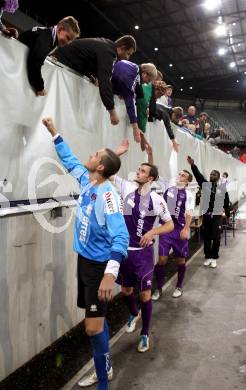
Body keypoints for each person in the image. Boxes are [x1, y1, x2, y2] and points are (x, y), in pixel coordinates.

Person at [42, 118, 129, 390]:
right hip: (85, 263)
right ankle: (106, 368)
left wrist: (109, 275)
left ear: (100, 167)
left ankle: (103, 381)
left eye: (95, 155)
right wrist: (54, 132)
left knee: (91, 329)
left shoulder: (108, 195)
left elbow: (122, 236)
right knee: (93, 324)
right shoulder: (89, 182)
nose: (89, 155)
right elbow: (71, 161)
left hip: (98, 269)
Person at [114, 139, 174, 352]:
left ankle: (145, 334)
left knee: (145, 295)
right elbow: (108, 169)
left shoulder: (158, 200)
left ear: (150, 178)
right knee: (125, 290)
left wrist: (152, 231)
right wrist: (118, 152)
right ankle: (133, 313)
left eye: (141, 171)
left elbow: (169, 224)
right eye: (138, 170)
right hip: (124, 251)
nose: (137, 173)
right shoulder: (126, 187)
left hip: (144, 254)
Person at [51, 35, 137, 126]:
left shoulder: (107, 46)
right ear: (122, 48)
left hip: (63, 61)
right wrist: (112, 111)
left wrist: (92, 75)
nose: (128, 58)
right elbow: (105, 82)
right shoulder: (108, 52)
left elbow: (86, 58)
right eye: (128, 54)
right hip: (57, 63)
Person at [146, 143, 195, 300]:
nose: (179, 175)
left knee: (181, 259)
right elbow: (153, 172)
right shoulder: (169, 185)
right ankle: (158, 288)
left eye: (183, 175)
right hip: (166, 228)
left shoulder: (189, 193)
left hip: (180, 229)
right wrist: (151, 153)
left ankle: (179, 286)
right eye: (179, 173)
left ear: (187, 181)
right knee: (162, 260)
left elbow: (189, 212)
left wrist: (187, 228)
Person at [18, 16, 80, 96]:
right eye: (68, 38)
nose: (68, 43)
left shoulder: (50, 36)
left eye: (70, 40)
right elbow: (35, 61)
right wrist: (40, 87)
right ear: (60, 29)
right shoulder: (47, 37)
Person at [187, 156, 230, 268]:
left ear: (218, 177)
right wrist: (193, 165)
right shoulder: (205, 185)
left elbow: (226, 203)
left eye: (214, 174)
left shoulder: (222, 189)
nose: (211, 175)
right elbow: (198, 175)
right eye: (211, 174)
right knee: (206, 237)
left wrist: (228, 215)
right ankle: (208, 257)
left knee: (216, 238)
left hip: (217, 217)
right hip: (206, 216)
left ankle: (214, 258)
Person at [112, 60, 157, 143]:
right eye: (149, 79)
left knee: (140, 94)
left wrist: (122, 92)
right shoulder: (133, 76)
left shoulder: (134, 68)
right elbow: (130, 104)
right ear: (144, 73)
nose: (148, 82)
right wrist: (135, 128)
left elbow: (137, 94)